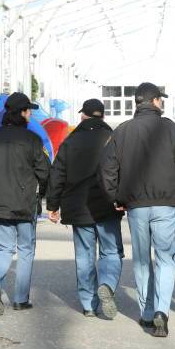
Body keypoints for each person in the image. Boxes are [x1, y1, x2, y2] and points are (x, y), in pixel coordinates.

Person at [99, 82, 175, 337]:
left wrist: (115, 197)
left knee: (142, 259)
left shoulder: (122, 130)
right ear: (155, 101)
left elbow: (107, 168)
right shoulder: (170, 128)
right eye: (161, 100)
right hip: (166, 203)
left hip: (135, 205)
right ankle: (161, 312)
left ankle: (146, 314)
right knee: (165, 259)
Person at [46, 99, 124, 319]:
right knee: (111, 251)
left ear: (83, 116)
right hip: (108, 205)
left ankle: (89, 304)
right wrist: (124, 198)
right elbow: (123, 170)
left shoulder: (71, 141)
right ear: (103, 116)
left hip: (78, 207)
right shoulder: (113, 139)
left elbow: (57, 174)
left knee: (84, 255)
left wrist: (53, 205)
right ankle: (107, 284)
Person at [0, 92, 50, 316]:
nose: (30, 114)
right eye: (29, 110)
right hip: (24, 204)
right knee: (26, 250)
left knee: (3, 248)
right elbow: (44, 172)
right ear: (22, 113)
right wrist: (44, 196)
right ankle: (20, 299)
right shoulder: (33, 140)